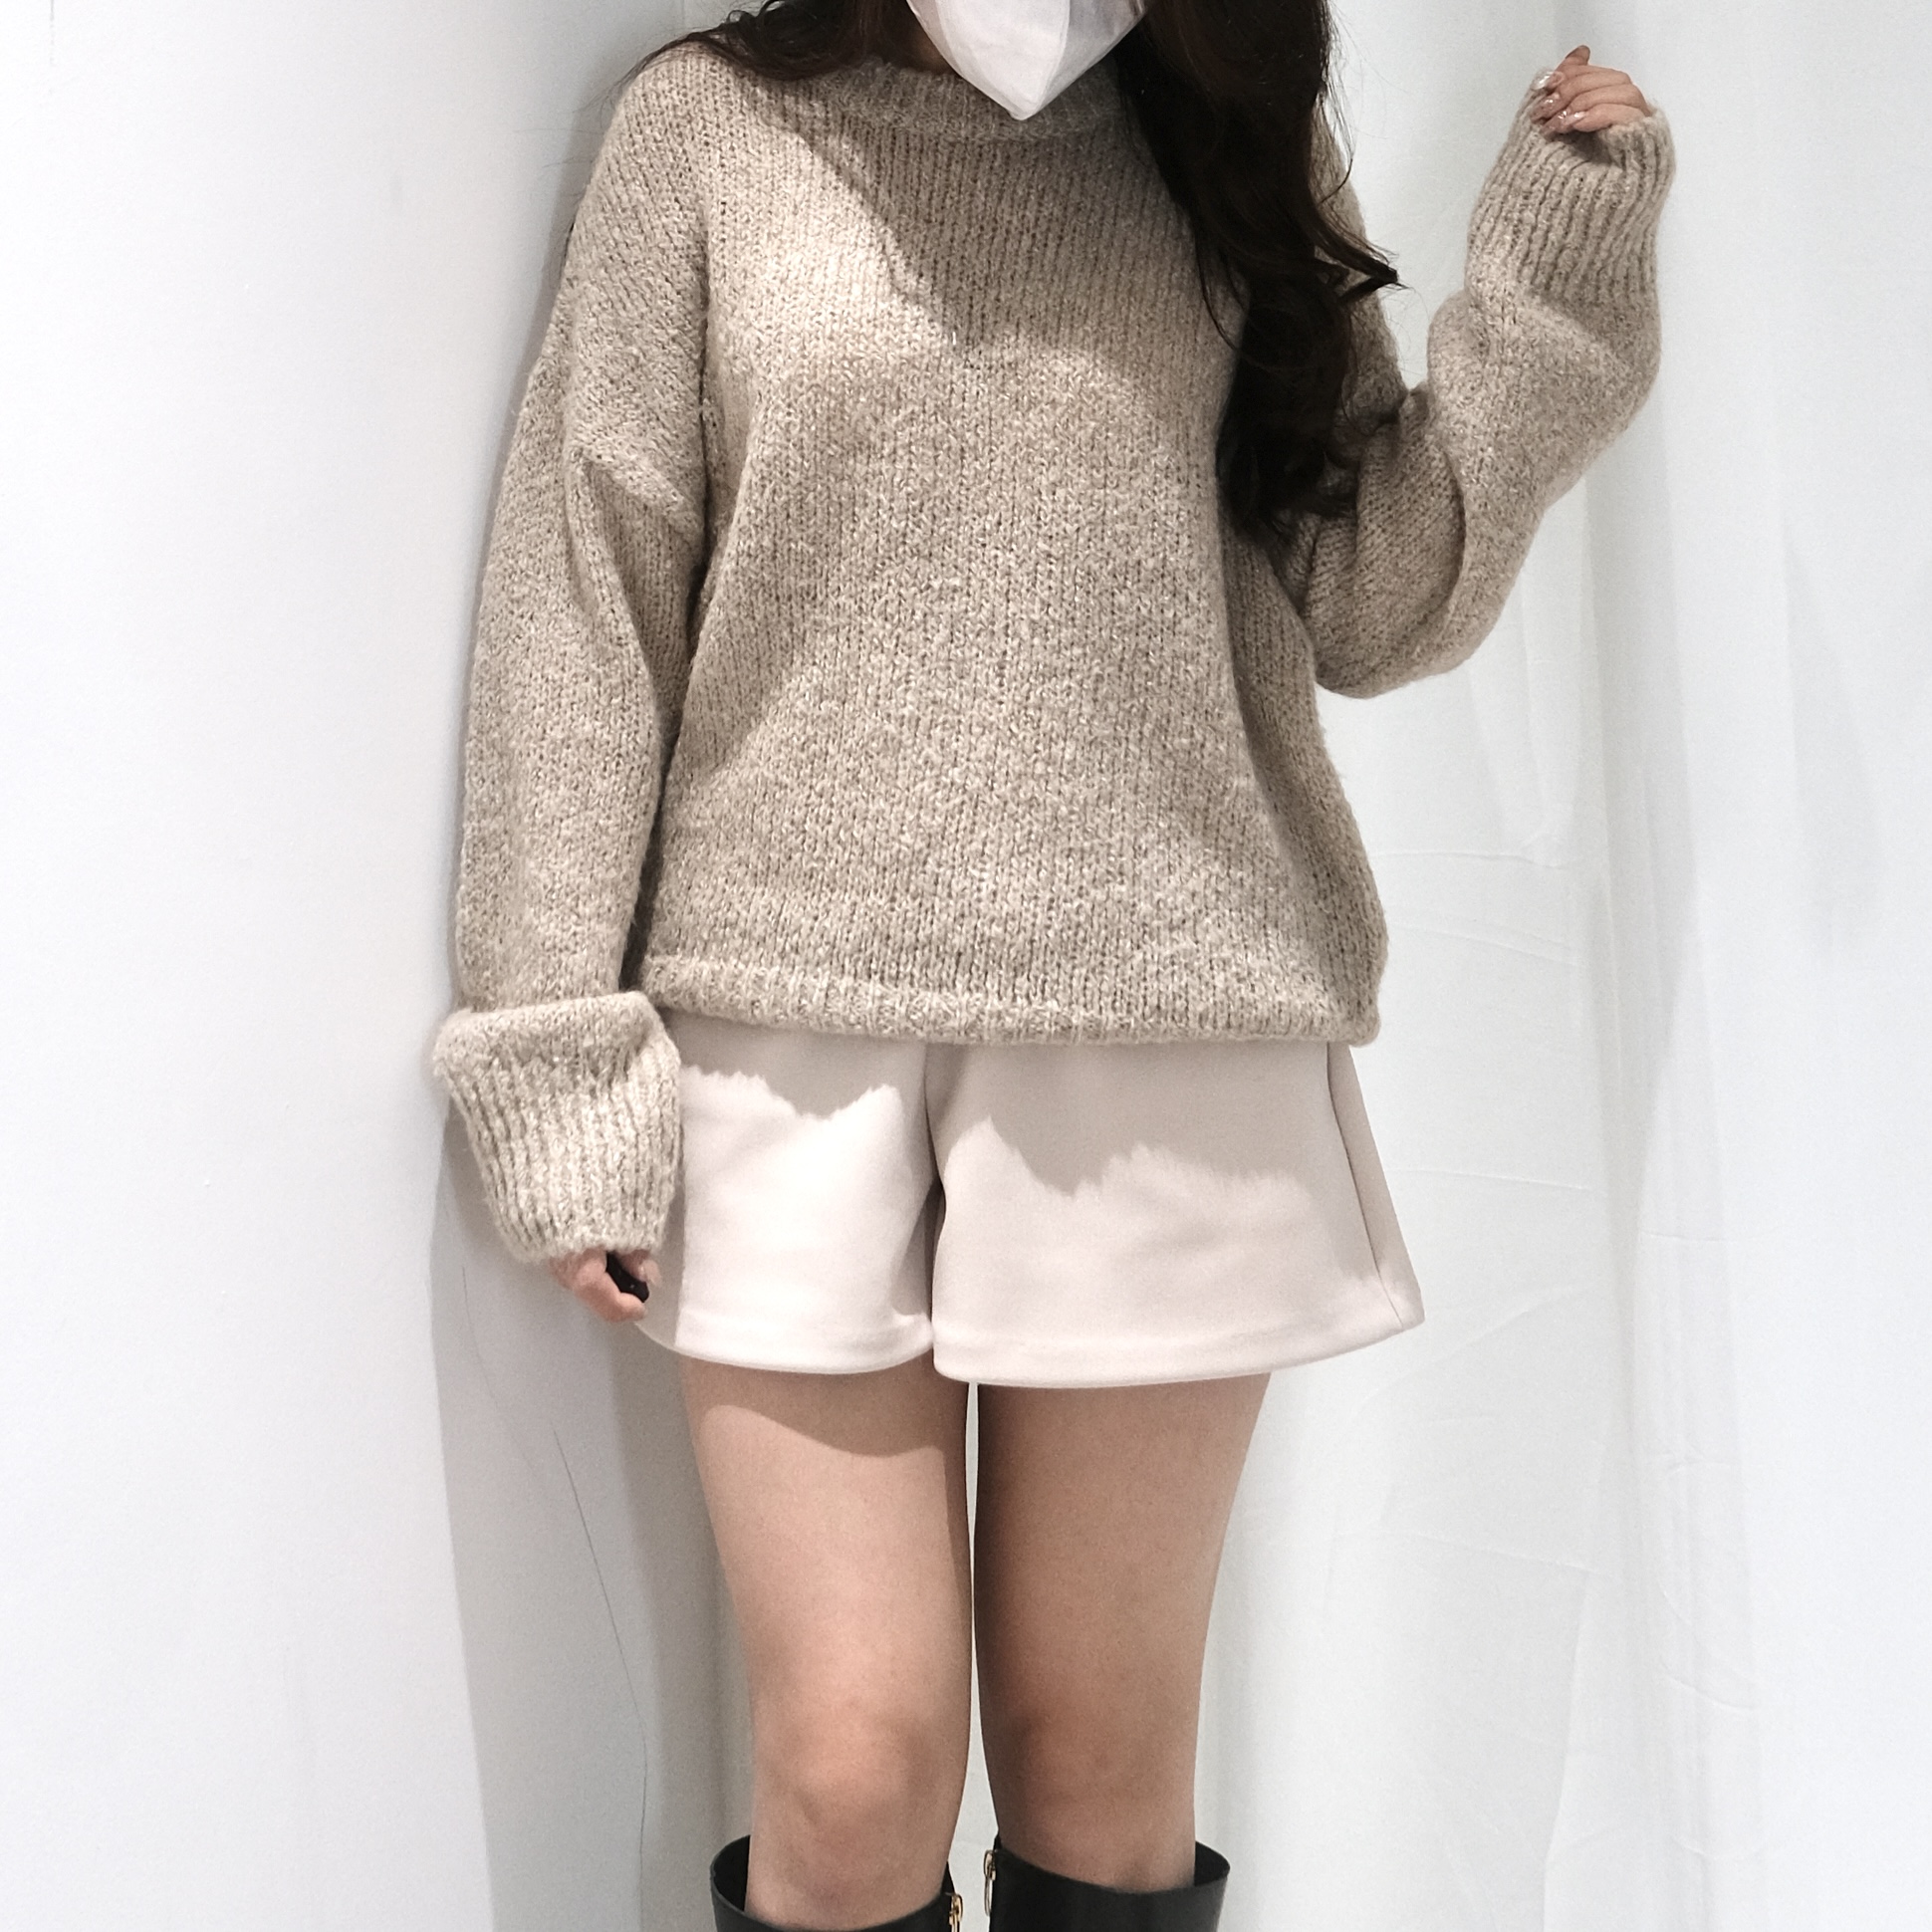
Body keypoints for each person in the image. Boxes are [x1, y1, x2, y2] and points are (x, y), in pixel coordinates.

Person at [432, 3, 1672, 1930]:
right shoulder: (710, 130)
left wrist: (1551, 283)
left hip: (1170, 1023)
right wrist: (548, 1045)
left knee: (1100, 1773)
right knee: (854, 1767)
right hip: (784, 1026)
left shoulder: (1222, 134)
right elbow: (590, 584)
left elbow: (1370, 592)